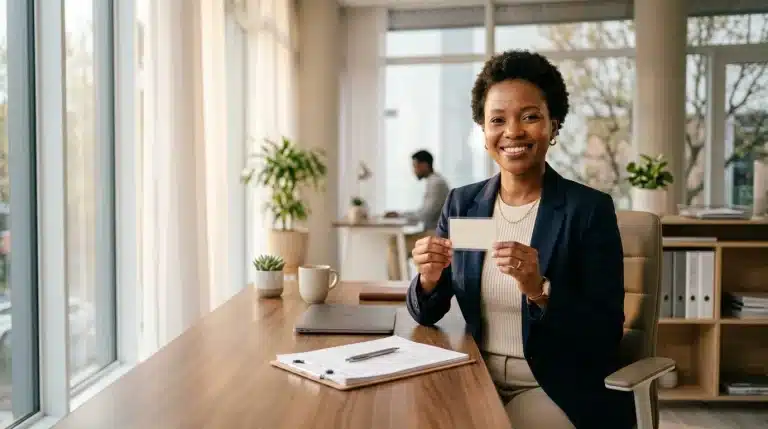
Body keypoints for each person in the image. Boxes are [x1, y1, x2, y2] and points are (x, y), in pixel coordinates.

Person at [405, 50, 635, 429]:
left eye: (529, 117)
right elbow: (428, 311)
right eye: (497, 120)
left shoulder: (587, 210)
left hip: (555, 384)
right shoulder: (464, 204)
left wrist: (539, 290)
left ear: (553, 126)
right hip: (474, 375)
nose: (512, 132)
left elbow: (605, 330)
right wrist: (428, 279)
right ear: (484, 132)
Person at [385, 150, 450, 280]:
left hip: (436, 235)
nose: (414, 170)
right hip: (433, 232)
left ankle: (398, 286)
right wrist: (401, 214)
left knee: (395, 244)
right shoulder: (434, 181)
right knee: (396, 242)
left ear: (425, 165)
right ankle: (400, 284)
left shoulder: (436, 183)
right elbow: (424, 212)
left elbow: (426, 215)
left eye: (415, 166)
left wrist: (401, 216)